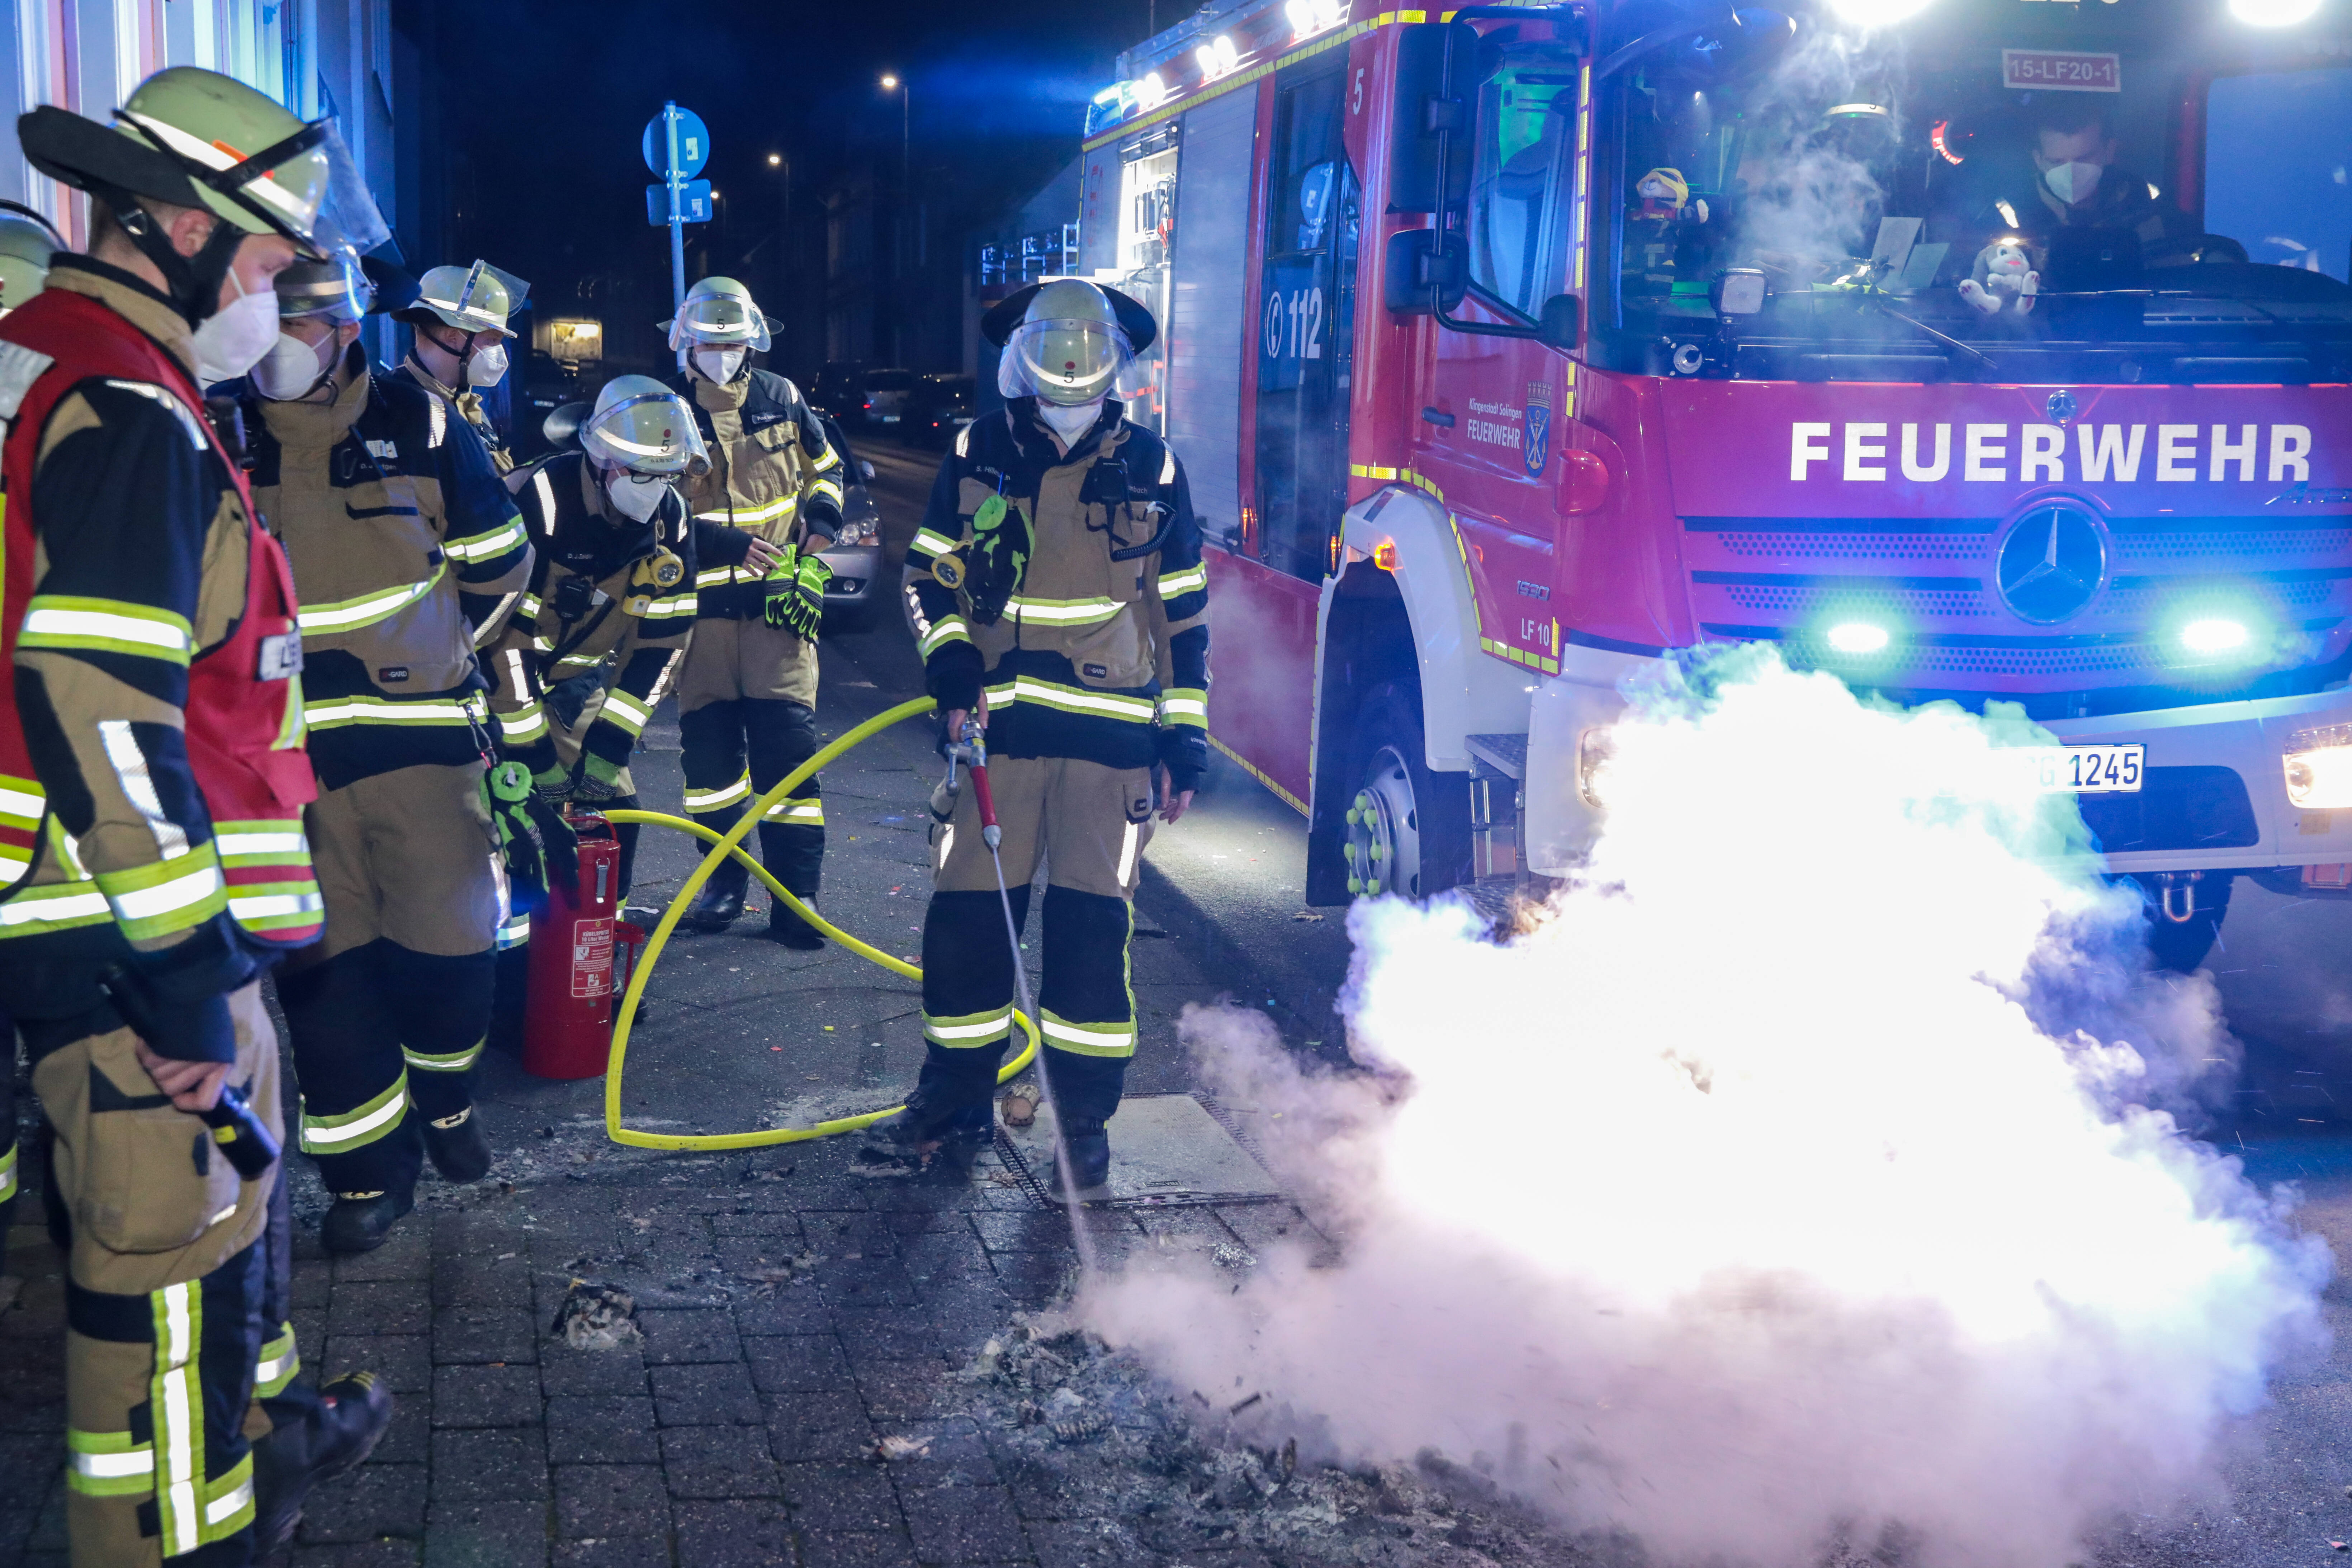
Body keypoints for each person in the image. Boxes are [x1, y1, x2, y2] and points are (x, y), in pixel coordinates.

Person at [0, 66, 394, 1564]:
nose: (269, 288)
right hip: (126, 946)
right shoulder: (122, 404)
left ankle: (253, 1445)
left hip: (127, 930)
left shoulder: (86, 369)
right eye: (254, 255)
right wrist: (178, 973)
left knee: (205, 1262)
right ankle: (185, 1534)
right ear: (168, 222)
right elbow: (99, 696)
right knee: (162, 1304)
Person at [860, 279, 1208, 1198]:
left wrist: (1186, 735)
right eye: (1050, 359)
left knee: (1094, 940)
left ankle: (1084, 1125)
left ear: (1113, 369)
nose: (1065, 377)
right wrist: (947, 667)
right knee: (972, 929)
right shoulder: (979, 449)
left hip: (1112, 749)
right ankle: (953, 1100)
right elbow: (927, 577)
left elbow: (1182, 614)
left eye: (1083, 363)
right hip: (995, 742)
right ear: (1025, 359)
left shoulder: (1155, 465)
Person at [233, 248, 534, 1254]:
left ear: (347, 329)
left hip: (422, 745)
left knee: (451, 953)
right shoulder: (218, 429)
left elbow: (501, 570)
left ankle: (446, 1099)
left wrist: (441, 657)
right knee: (324, 978)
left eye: (301, 325)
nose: (277, 349)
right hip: (283, 764)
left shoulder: (424, 422)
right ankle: (367, 1175)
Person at [488, 375, 778, 897]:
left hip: (575, 685)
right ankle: (514, 950)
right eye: (643, 474)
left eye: (667, 475)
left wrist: (609, 745)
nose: (656, 488)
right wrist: (534, 754)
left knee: (617, 817)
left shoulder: (672, 521)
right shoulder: (540, 504)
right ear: (603, 460)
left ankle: (597, 951)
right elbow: (504, 643)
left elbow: (660, 649)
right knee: (508, 818)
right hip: (495, 688)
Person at [662, 277, 846, 945]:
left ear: (752, 340)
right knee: (709, 770)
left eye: (732, 340)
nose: (720, 352)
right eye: (709, 341)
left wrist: (823, 517)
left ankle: (797, 897)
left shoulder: (783, 398)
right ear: (686, 342)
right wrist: (726, 543)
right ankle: (723, 885)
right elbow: (654, 510)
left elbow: (827, 468)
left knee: (789, 761)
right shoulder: (666, 410)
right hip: (700, 620)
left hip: (778, 617)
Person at [390, 259, 527, 474]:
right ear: (455, 336)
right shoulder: (394, 408)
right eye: (492, 340)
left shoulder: (469, 408)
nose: (499, 352)